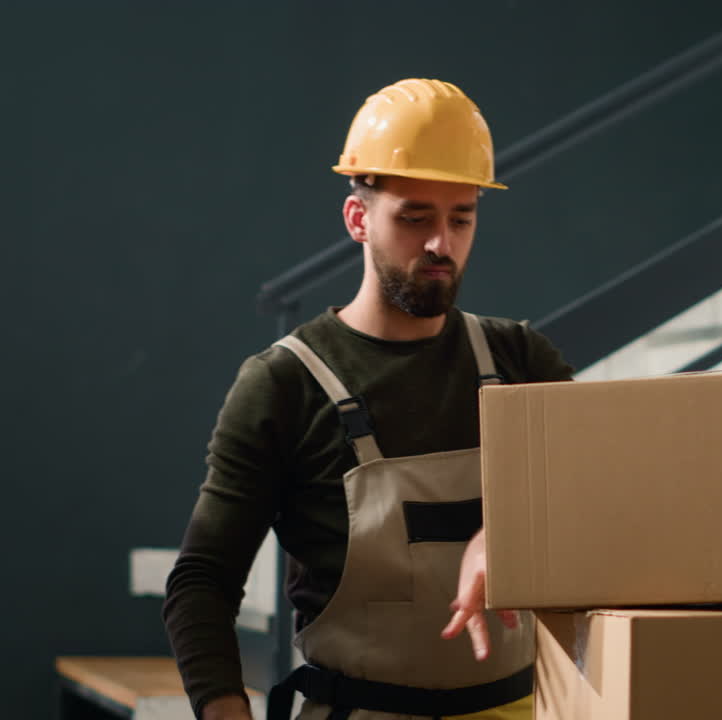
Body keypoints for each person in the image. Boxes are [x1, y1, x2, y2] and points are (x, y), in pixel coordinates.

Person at [163, 77, 574, 720]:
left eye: (461, 218)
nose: (442, 244)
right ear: (359, 219)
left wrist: (503, 536)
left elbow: (606, 493)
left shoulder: (520, 360)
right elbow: (201, 585)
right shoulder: (284, 385)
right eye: (415, 218)